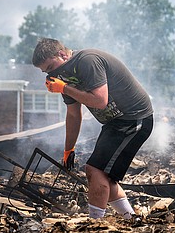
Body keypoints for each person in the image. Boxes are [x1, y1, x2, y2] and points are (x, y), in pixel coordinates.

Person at [32, 38, 154, 219]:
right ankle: (131, 219)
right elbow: (73, 115)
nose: (50, 74)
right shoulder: (64, 77)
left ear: (62, 55)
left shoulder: (87, 61)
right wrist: (68, 149)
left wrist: (64, 88)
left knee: (94, 171)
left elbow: (100, 101)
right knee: (104, 177)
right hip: (114, 123)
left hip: (134, 118)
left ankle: (94, 223)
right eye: (45, 71)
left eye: (50, 67)